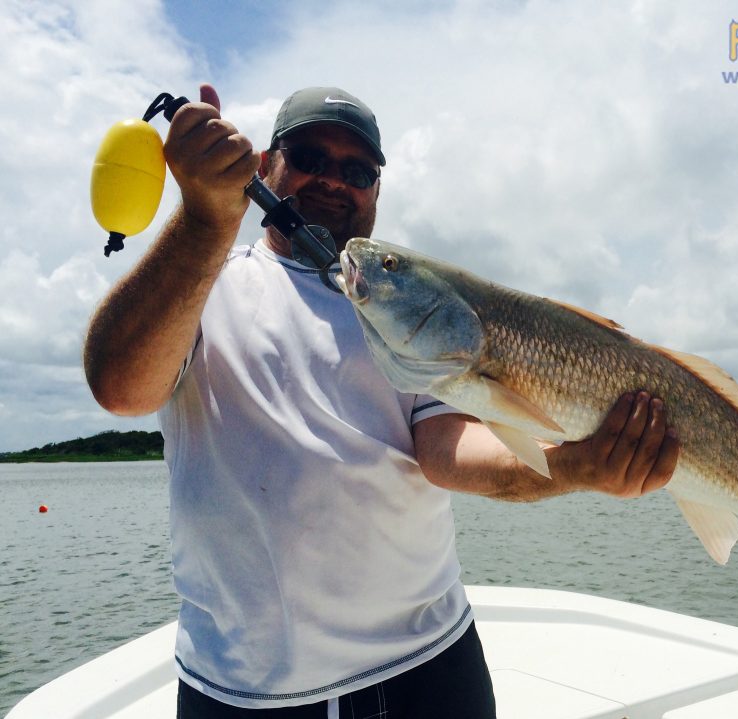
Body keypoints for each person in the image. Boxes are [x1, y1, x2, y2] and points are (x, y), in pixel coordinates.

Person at [83, 84, 680, 719]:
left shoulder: (409, 307)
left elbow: (446, 445)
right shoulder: (202, 281)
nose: (332, 180)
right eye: (308, 155)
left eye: (357, 170)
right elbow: (121, 388)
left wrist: (571, 465)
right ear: (264, 165)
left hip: (430, 666)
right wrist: (206, 218)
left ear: (376, 191)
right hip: (246, 690)